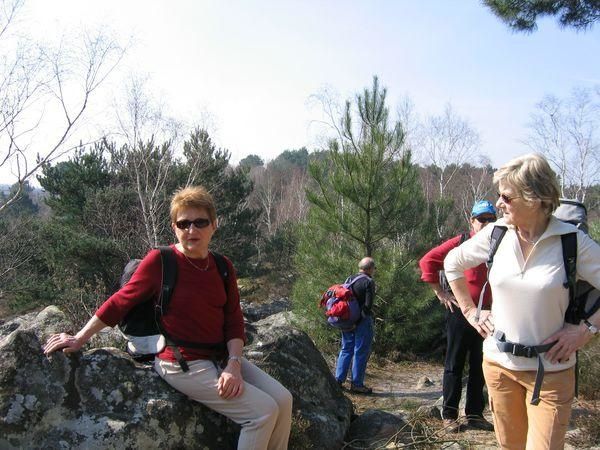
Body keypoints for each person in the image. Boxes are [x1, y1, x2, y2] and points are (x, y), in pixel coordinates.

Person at [43, 186, 293, 450]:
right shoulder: (161, 261)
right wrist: (80, 338)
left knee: (283, 400)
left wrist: (233, 364)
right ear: (174, 228)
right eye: (183, 223)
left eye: (200, 222)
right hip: (181, 362)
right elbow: (119, 302)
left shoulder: (222, 266)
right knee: (262, 412)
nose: (191, 230)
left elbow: (233, 319)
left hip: (220, 357)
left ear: (214, 225)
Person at [444, 153, 600, 450]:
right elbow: (452, 263)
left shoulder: (571, 241)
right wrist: (470, 311)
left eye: (506, 196)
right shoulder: (497, 234)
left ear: (534, 198)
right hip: (499, 367)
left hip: (552, 372)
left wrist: (586, 330)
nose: (499, 203)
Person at [419, 200, 497, 433]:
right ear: (471, 221)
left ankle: (474, 414)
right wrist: (440, 293)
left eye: (491, 219)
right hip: (461, 313)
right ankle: (449, 415)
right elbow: (427, 261)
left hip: (488, 314)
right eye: (481, 219)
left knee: (480, 365)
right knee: (454, 364)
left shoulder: (500, 242)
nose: (486, 224)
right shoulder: (462, 242)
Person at [334, 257, 376, 394]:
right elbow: (368, 306)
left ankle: (338, 380)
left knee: (346, 348)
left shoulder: (349, 279)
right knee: (360, 352)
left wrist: (350, 322)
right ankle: (357, 384)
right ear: (371, 269)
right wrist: (357, 323)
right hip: (361, 321)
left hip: (346, 319)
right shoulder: (368, 282)